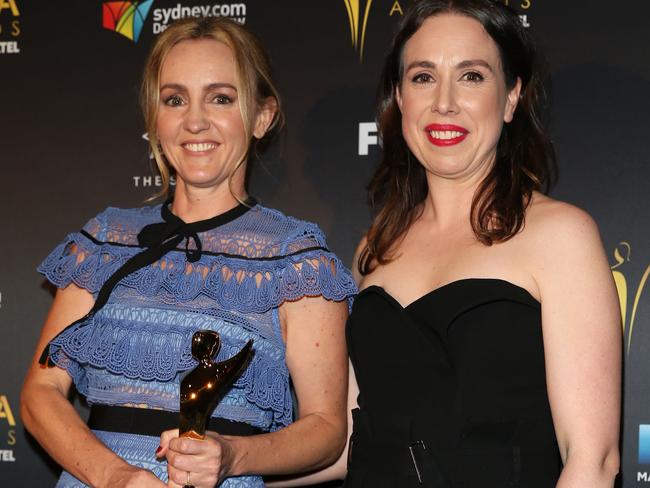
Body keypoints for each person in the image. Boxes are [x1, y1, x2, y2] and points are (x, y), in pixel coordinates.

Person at [278, 1, 620, 487]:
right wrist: (230, 467)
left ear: (511, 98)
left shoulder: (560, 236)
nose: (444, 102)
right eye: (422, 77)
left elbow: (593, 461)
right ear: (399, 99)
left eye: (472, 76)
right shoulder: (373, 248)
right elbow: (343, 446)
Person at [21, 17, 355, 488]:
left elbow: (325, 429)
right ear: (154, 120)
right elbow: (42, 390)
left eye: (221, 98)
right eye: (175, 100)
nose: (195, 120)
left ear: (262, 117)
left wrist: (233, 455)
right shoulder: (104, 239)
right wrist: (118, 478)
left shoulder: (297, 259)